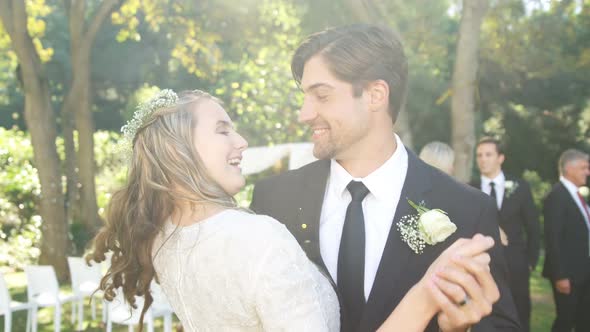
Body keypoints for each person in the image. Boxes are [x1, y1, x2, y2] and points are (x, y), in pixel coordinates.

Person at [88, 89, 500, 332]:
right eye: (222, 129)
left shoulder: (166, 241)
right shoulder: (258, 238)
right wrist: (427, 294)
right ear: (177, 151)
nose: (242, 141)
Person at [250, 24, 521, 332]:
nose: (304, 113)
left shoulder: (467, 209)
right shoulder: (273, 199)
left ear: (375, 95)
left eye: (321, 96)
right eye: (305, 97)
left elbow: (500, 323)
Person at [470, 137, 540, 332]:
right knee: (485, 317)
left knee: (520, 313)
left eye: (488, 154)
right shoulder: (469, 188)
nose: (483, 159)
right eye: (479, 155)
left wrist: (530, 262)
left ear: (501, 158)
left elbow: (533, 227)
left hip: (516, 265)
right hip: (482, 265)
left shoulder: (520, 186)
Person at [543, 149, 590, 332]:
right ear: (569, 168)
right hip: (568, 275)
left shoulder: (579, 197)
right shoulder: (557, 196)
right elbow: (553, 238)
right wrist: (560, 275)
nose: (587, 172)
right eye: (584, 168)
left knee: (584, 320)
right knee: (565, 321)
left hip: (583, 272)